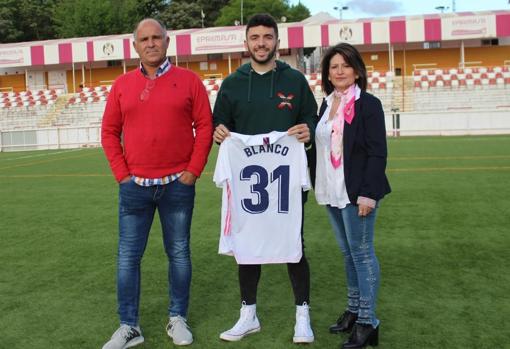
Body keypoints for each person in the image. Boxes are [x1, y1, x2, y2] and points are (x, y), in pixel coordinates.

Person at [100, 18, 213, 348]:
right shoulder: (121, 85)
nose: (151, 43)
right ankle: (129, 326)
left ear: (168, 41)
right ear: (135, 45)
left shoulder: (190, 81)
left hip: (177, 185)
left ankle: (177, 318)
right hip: (134, 187)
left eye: (156, 38)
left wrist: (192, 171)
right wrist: (122, 175)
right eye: (144, 39)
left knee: (178, 254)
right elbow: (109, 132)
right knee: (127, 258)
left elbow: (204, 127)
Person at [212, 13, 318, 344]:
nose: (261, 43)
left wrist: (308, 131)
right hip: (248, 183)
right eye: (255, 37)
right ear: (246, 42)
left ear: (277, 42)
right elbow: (219, 123)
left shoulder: (295, 81)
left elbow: (311, 119)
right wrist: (219, 133)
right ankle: (248, 314)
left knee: (293, 244)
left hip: (285, 180)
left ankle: (302, 314)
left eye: (267, 37)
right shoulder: (232, 83)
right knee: (247, 246)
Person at [314, 43, 391, 349]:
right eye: (334, 67)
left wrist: (369, 194)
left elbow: (377, 153)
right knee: (348, 254)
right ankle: (354, 309)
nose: (340, 71)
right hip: (332, 189)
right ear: (327, 74)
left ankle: (367, 321)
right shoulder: (326, 103)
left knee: (361, 253)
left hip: (357, 193)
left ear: (357, 71)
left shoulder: (368, 104)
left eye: (346, 65)